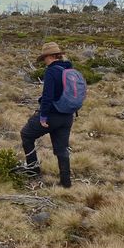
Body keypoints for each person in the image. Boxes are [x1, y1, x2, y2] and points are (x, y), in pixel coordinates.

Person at [20, 42, 74, 188]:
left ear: (49, 56)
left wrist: (43, 117)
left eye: (44, 58)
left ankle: (33, 170)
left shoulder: (51, 71)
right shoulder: (69, 69)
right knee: (62, 148)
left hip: (52, 115)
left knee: (26, 134)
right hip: (68, 115)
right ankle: (66, 182)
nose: (44, 61)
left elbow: (48, 97)